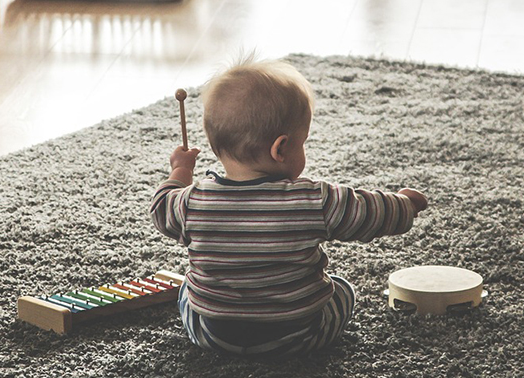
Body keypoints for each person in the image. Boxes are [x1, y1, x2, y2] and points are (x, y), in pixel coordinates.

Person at [150, 57, 428, 358]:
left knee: (186, 291)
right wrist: (405, 204)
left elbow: (161, 206)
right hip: (298, 336)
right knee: (343, 289)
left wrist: (180, 170)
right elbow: (368, 212)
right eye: (302, 143)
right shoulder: (313, 200)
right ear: (280, 148)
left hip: (215, 336)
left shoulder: (191, 202)